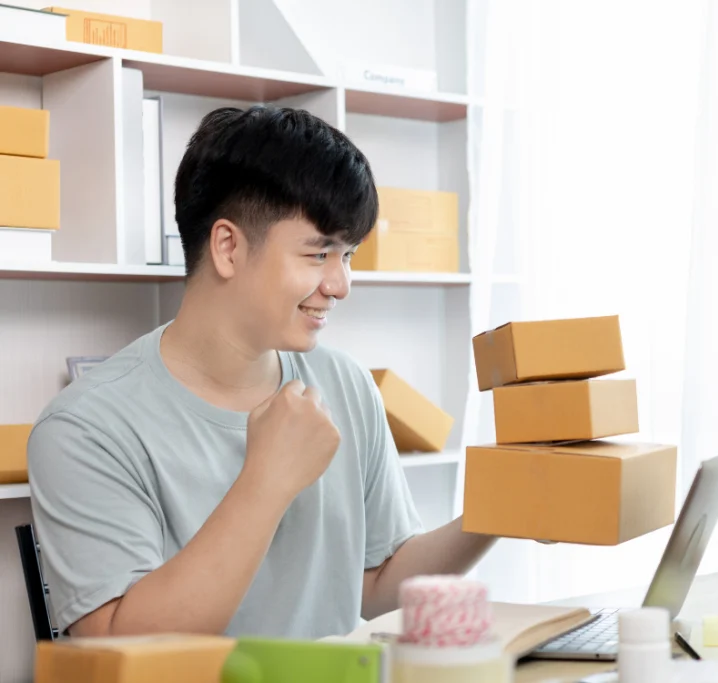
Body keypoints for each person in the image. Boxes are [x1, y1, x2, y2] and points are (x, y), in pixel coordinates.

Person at [26, 105, 496, 640]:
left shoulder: (345, 384)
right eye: (319, 253)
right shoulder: (84, 429)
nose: (340, 284)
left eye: (348, 255)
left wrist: (500, 512)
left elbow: (375, 586)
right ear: (228, 247)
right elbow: (127, 657)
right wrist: (267, 479)